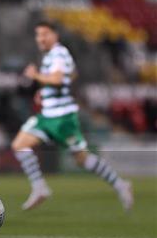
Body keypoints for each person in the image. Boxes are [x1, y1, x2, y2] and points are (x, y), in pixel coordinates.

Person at [11, 21, 133, 211]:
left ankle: (120, 184)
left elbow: (58, 79)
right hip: (48, 115)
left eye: (45, 34)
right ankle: (40, 187)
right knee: (20, 145)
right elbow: (70, 75)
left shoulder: (59, 53)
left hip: (62, 118)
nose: (41, 38)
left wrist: (36, 76)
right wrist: (46, 90)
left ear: (55, 35)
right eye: (38, 35)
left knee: (82, 158)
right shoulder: (54, 55)